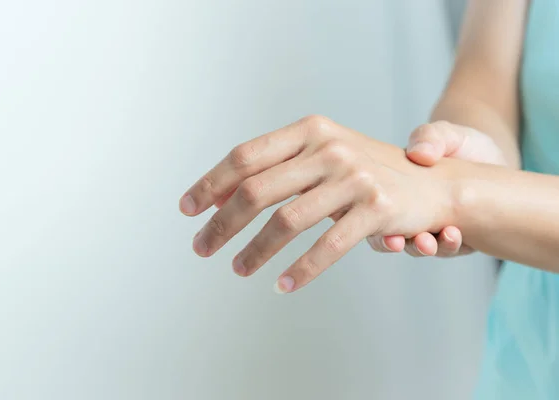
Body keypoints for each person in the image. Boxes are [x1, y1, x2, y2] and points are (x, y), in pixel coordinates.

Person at [179, 0, 558, 397]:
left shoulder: (459, 194)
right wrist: (448, 160)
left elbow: (463, 190)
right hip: (529, 351)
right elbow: (484, 83)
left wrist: (456, 193)